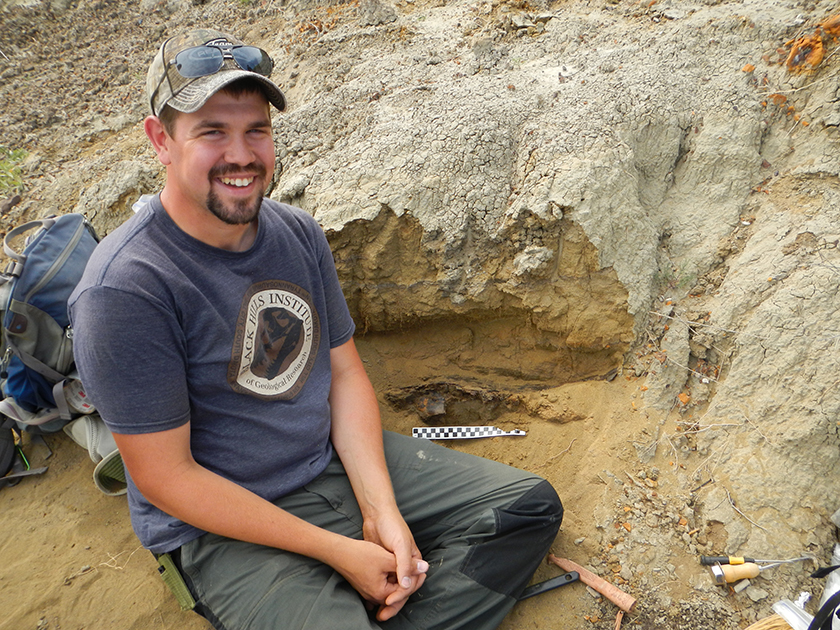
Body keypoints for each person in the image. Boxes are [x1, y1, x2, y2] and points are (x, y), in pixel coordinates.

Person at [68, 28, 563, 630]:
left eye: (256, 129)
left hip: (325, 462)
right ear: (161, 141)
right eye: (212, 132)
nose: (242, 155)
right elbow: (166, 479)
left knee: (524, 509)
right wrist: (338, 551)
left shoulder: (297, 233)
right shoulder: (125, 289)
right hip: (222, 524)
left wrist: (381, 509)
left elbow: (345, 373)